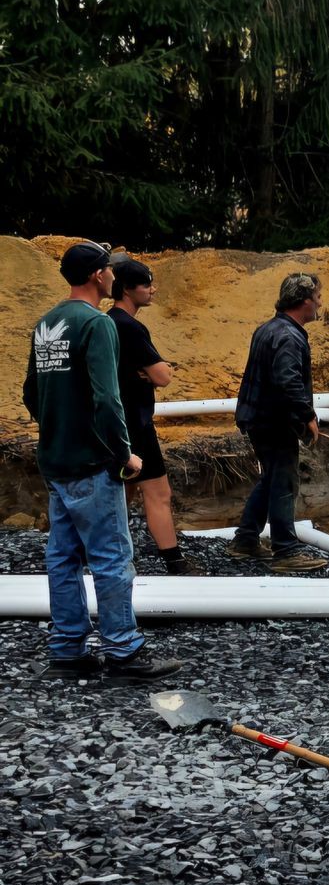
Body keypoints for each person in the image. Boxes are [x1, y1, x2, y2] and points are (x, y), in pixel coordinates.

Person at [22, 241, 183, 681]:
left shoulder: (47, 322)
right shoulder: (97, 324)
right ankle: (124, 652)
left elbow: (31, 395)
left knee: (63, 557)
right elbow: (107, 398)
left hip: (55, 459)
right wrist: (123, 453)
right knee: (111, 556)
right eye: (109, 269)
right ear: (98, 276)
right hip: (93, 462)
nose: (113, 275)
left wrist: (58, 428)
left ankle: (68, 650)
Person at [108, 258, 203, 575]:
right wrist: (155, 371)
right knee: (159, 493)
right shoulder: (131, 327)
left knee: (123, 491)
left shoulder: (106, 322)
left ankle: (103, 553)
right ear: (127, 289)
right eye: (146, 284)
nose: (153, 289)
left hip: (116, 421)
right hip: (136, 422)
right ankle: (175, 561)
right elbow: (163, 375)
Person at [230, 272, 329, 574]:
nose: (320, 304)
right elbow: (288, 382)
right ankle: (285, 551)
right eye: (317, 298)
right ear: (303, 301)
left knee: (271, 478)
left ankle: (245, 540)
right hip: (274, 422)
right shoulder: (288, 336)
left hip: (259, 418)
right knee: (284, 482)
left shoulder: (269, 328)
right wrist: (307, 416)